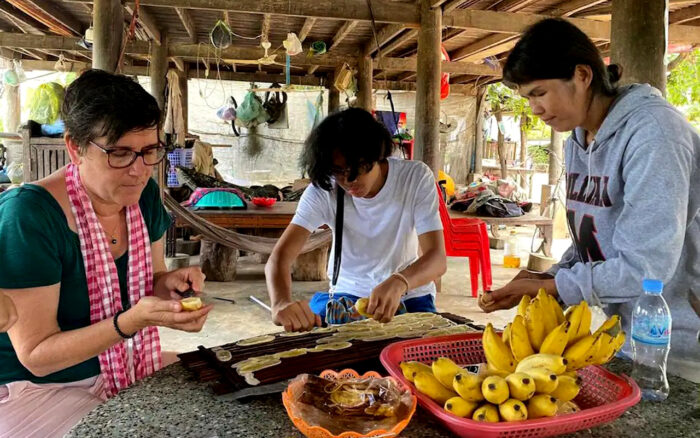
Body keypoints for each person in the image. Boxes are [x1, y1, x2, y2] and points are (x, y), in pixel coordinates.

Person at [479, 18, 700, 381]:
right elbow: (595, 238)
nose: (534, 108)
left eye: (539, 92)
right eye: (527, 97)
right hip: (627, 338)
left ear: (582, 76)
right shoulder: (579, 140)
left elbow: (646, 268)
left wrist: (553, 286)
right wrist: (550, 277)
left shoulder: (655, 135)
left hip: (681, 348)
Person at [0, 69, 213, 437]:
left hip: (121, 364)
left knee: (227, 383)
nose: (138, 170)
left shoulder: (143, 194)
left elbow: (153, 279)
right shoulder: (30, 216)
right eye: (119, 153)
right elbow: (36, 357)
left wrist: (172, 289)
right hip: (35, 388)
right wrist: (129, 322)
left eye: (149, 152)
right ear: (74, 147)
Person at [265, 108, 447, 331]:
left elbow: (437, 259)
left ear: (377, 156)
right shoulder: (324, 190)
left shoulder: (414, 178)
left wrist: (400, 281)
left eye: (357, 168)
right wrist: (281, 302)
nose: (349, 181)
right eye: (338, 171)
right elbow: (280, 257)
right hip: (347, 294)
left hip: (409, 293)